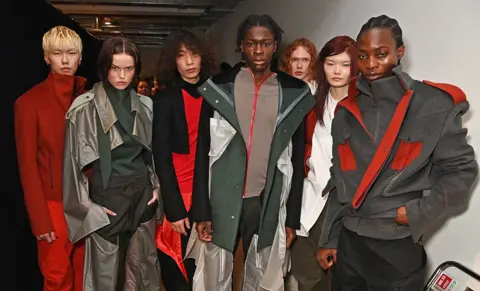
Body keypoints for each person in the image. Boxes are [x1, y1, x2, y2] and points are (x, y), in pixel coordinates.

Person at [317, 15, 478, 290]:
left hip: (396, 246)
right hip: (350, 240)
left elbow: (461, 171)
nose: (370, 65)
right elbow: (339, 179)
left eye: (381, 54)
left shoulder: (431, 104)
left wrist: (416, 213)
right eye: (364, 56)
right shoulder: (345, 111)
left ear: (399, 52)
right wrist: (329, 238)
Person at [188, 14, 315, 291]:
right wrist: (201, 209)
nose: (258, 51)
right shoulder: (220, 88)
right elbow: (203, 152)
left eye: (266, 43)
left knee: (263, 272)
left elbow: (294, 159)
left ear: (275, 45)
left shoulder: (294, 93)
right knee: (214, 272)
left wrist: (291, 219)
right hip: (222, 199)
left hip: (267, 199)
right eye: (251, 44)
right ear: (241, 46)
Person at [63, 36, 161, 291]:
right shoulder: (83, 108)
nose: (122, 75)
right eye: (115, 68)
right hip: (109, 195)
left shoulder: (146, 105)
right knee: (104, 275)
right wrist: (88, 207)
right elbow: (71, 167)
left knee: (143, 270)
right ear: (105, 67)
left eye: (128, 69)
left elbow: (155, 154)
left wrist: (156, 188)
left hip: (143, 194)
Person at [14, 25, 86, 291]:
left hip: (88, 203)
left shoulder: (89, 98)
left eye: (71, 53)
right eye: (57, 53)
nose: (65, 61)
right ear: (47, 57)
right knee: (56, 278)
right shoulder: (29, 103)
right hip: (53, 204)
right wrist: (40, 219)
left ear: (80, 57)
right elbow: (27, 165)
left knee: (86, 277)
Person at [288, 36, 357, 291]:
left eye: (345, 64)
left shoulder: (363, 105)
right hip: (310, 191)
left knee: (336, 272)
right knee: (307, 270)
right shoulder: (314, 98)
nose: (337, 71)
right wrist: (307, 159)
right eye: (330, 63)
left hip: (343, 199)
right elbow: (299, 141)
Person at [152, 28, 219, 291]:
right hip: (178, 193)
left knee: (204, 270)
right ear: (173, 61)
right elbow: (161, 156)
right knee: (176, 269)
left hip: (210, 191)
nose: (189, 62)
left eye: (194, 54)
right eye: (182, 56)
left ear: (203, 57)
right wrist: (175, 208)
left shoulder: (216, 95)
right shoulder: (165, 99)